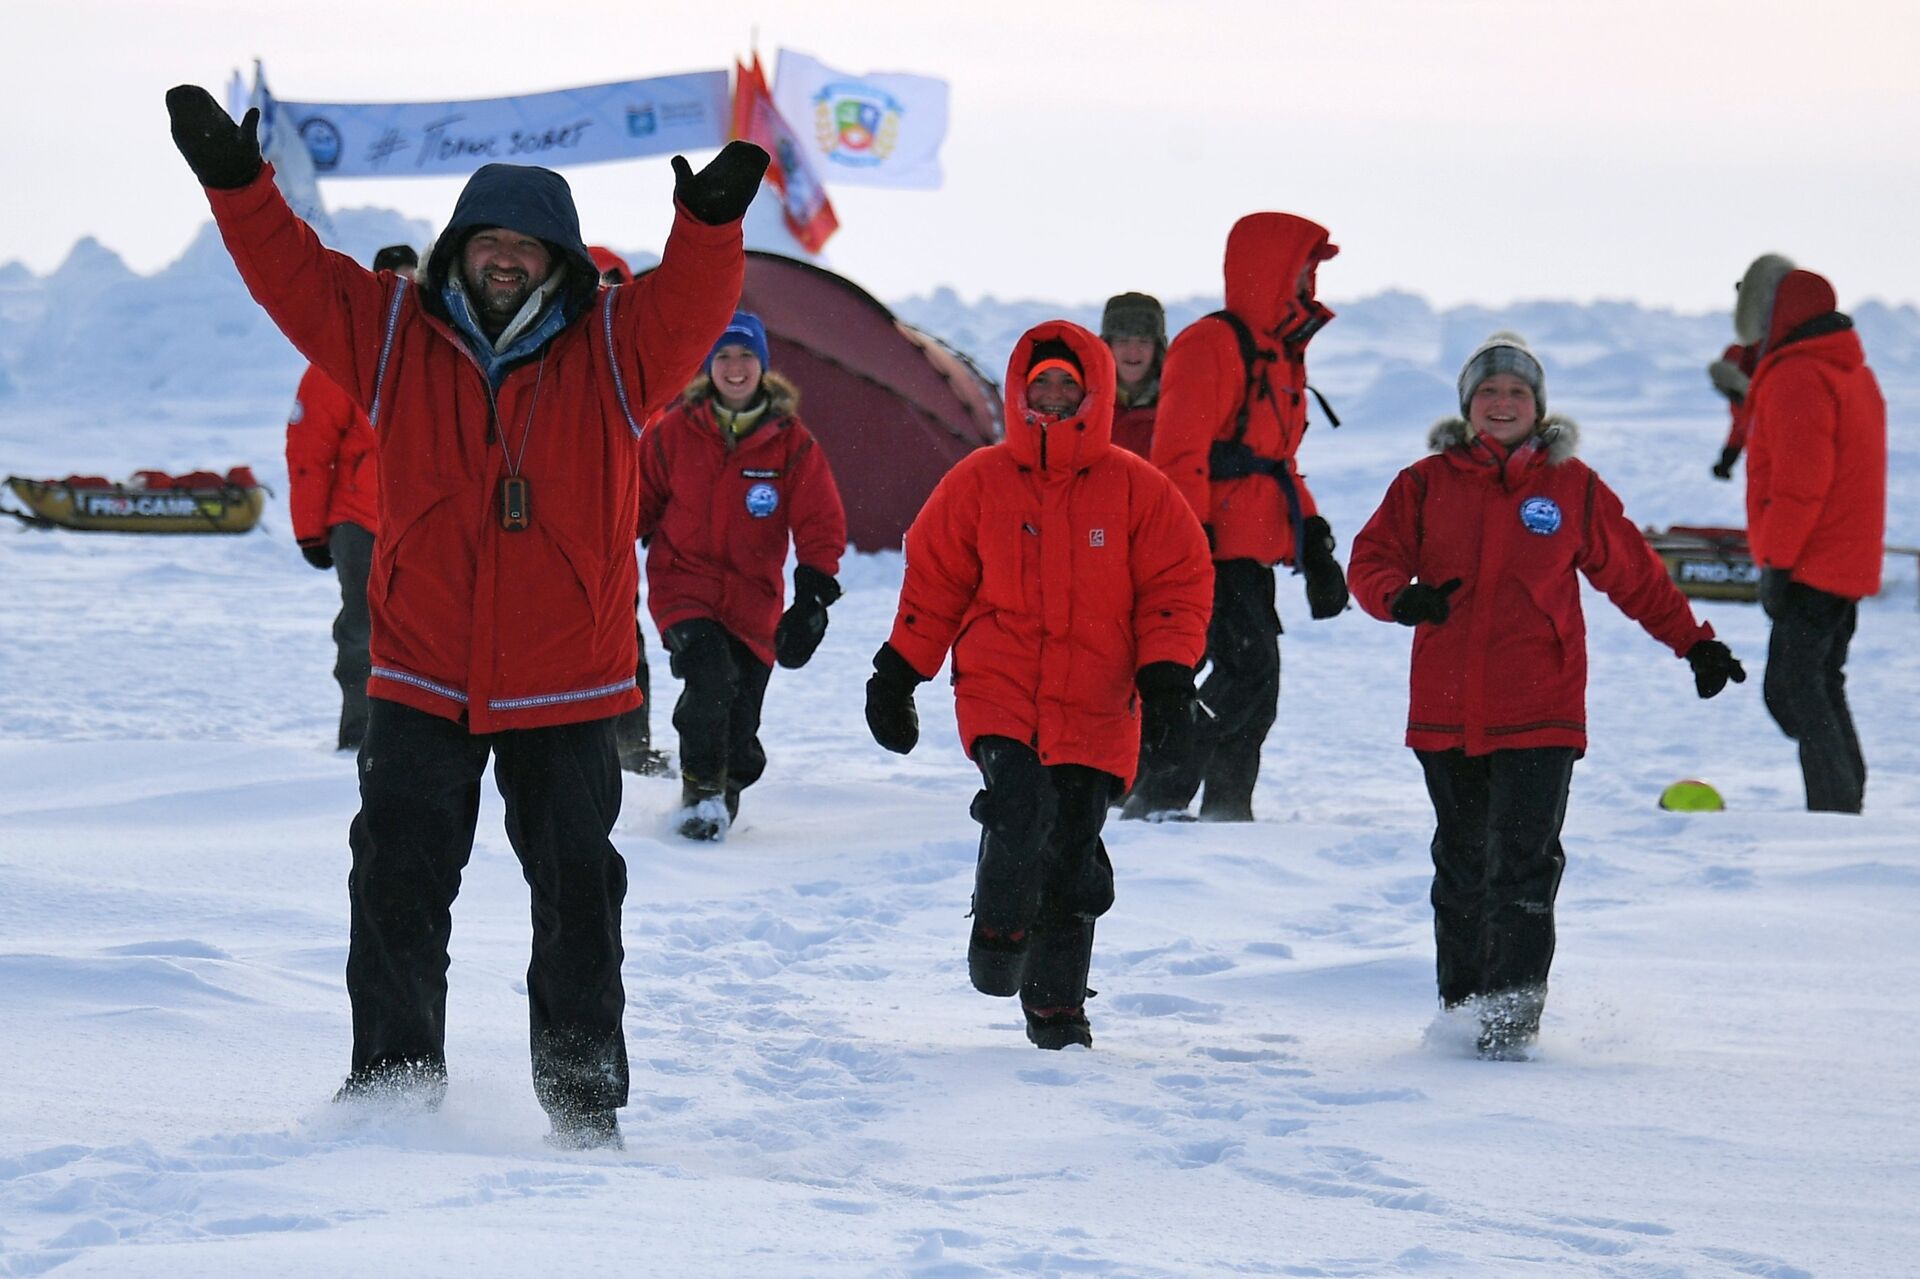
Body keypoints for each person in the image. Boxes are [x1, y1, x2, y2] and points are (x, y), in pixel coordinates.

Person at [167, 84, 767, 1148]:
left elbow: (695, 304)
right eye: (487, 240)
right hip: (420, 671)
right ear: (459, 248)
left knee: (579, 897)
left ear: (560, 260)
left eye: (526, 245)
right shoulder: (392, 332)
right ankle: (393, 1092)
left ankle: (583, 1106)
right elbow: (293, 277)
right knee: (396, 882)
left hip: (567, 678)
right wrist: (237, 184)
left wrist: (710, 227)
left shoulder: (621, 348)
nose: (504, 258)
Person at [1348, 331, 1747, 1059]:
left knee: (1524, 864)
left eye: (1517, 393)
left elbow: (1635, 575)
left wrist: (1695, 641)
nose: (1503, 404)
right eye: (1490, 392)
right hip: (1446, 711)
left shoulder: (1573, 487)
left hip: (1542, 709)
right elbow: (1370, 560)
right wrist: (1398, 599)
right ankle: (1461, 1012)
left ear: (1538, 408)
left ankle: (1508, 1025)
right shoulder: (1424, 482)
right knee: (1462, 865)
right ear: (1469, 406)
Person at [864, 321, 1213, 1049]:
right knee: (1019, 809)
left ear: (1093, 392)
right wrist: (898, 672)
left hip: (1098, 699)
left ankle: (1056, 1010)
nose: (1052, 397)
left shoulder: (1137, 490)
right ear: (1020, 392)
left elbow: (1176, 585)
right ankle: (997, 925)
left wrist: (1169, 680)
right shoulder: (980, 480)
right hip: (1001, 688)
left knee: (1073, 851)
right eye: (1041, 384)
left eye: (1067, 385)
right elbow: (936, 581)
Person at [1125, 212, 1349, 822]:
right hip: (1208, 548)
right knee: (1243, 674)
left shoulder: (1279, 353)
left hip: (1248, 549)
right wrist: (1189, 540)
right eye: (1304, 268)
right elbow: (1179, 454)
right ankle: (1161, 795)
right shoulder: (1214, 344)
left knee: (1251, 680)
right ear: (1273, 270)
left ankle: (1224, 806)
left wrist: (1316, 544)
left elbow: (1277, 462)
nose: (1310, 282)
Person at [636, 311, 848, 840]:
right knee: (710, 678)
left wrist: (813, 594)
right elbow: (636, 502)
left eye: (745, 356)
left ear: (762, 365)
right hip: (682, 586)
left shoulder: (790, 443)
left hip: (754, 599)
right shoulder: (674, 430)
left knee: (741, 712)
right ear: (708, 365)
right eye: (724, 356)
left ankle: (727, 786)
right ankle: (701, 790)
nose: (734, 367)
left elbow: (820, 520)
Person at [1737, 260, 1886, 813]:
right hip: (1841, 560)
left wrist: (1776, 564)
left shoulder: (1798, 375)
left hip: (1810, 564)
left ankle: (1837, 807)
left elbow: (1799, 486)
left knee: (1792, 690)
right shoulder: (1849, 370)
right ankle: (1845, 797)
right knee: (1820, 682)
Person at [285, 243, 416, 752]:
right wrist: (310, 532)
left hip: (418, 521)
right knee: (362, 632)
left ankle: (418, 738)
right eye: (396, 281)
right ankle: (359, 738)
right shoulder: (342, 356)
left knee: (425, 637)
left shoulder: (437, 351)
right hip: (359, 522)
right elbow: (309, 452)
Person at [589, 244, 673, 778]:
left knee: (624, 639)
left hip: (619, 529)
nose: (604, 292)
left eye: (612, 282)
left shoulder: (638, 361)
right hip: (568, 524)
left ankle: (631, 746)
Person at [1102, 291, 1166, 458]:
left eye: (1143, 341)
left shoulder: (1180, 400)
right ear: (1108, 346)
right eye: (1123, 341)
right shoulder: (1084, 399)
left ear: (1157, 348)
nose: (1133, 351)